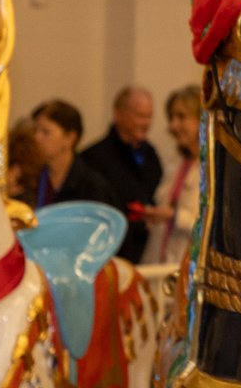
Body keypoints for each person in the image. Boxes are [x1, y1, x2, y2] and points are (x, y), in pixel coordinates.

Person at [79, 85, 164, 262]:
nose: (146, 123)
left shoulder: (151, 155)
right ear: (119, 114)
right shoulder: (93, 158)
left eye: (149, 116)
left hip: (148, 253)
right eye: (140, 116)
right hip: (111, 255)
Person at [28, 100, 119, 212]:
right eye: (35, 131)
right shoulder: (30, 177)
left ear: (70, 138)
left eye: (46, 132)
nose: (37, 138)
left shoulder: (92, 187)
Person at [154, 85, 203, 264]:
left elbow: (211, 227)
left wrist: (175, 217)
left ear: (201, 119)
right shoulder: (177, 163)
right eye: (172, 117)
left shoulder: (214, 168)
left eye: (181, 117)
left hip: (192, 265)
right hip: (166, 261)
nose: (173, 125)